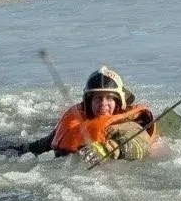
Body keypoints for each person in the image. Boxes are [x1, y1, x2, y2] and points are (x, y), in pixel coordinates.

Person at [15, 66, 157, 160]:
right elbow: (49, 142)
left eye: (109, 98)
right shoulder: (75, 120)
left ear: (118, 102)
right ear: (88, 102)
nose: (103, 104)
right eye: (97, 98)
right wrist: (18, 149)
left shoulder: (128, 125)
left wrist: (108, 149)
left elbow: (139, 144)